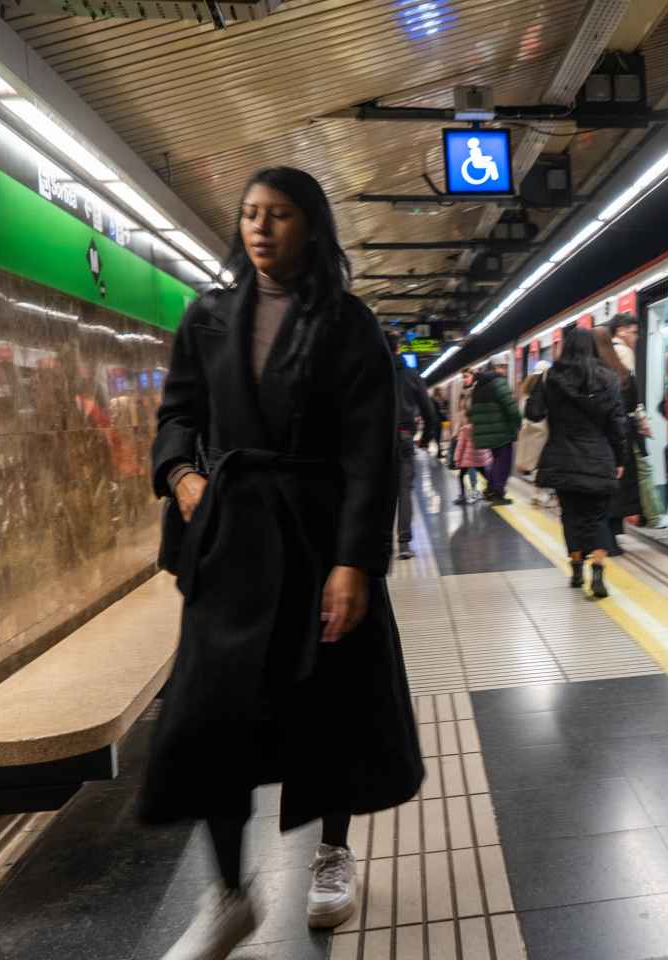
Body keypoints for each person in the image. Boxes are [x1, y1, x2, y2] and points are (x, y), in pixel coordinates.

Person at [146, 166, 424, 959]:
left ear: (312, 225)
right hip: (231, 539)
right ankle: (231, 889)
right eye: (249, 215)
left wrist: (355, 563)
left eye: (278, 215)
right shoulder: (206, 317)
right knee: (208, 715)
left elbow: (373, 453)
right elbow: (176, 415)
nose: (260, 229)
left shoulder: (348, 324)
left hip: (315, 534)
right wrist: (183, 474)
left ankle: (331, 854)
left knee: (327, 703)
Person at [527, 326, 627, 599]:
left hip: (562, 457)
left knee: (570, 516)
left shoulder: (552, 378)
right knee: (597, 517)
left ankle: (575, 568)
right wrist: (619, 459)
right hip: (599, 456)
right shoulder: (609, 379)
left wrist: (539, 383)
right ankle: (598, 571)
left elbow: (533, 414)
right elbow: (618, 425)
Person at [609, 312, 667, 528]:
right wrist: (641, 419)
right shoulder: (623, 352)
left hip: (619, 422)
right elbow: (629, 392)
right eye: (633, 333)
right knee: (643, 469)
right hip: (626, 424)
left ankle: (642, 514)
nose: (636, 338)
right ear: (620, 330)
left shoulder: (608, 351)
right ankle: (653, 517)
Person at [389, 332, 439, 560]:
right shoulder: (411, 375)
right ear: (398, 348)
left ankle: (377, 544)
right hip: (403, 436)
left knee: (375, 491)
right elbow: (430, 414)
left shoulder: (369, 374)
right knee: (403, 490)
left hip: (375, 441)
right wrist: (426, 439)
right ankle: (404, 543)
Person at [594, 325, 642, 554]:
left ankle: (608, 543)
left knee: (603, 492)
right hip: (623, 436)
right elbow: (633, 404)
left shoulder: (594, 374)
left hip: (601, 439)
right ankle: (614, 535)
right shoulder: (623, 372)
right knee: (618, 488)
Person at [469, 360, 521, 505]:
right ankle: (497, 493)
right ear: (494, 369)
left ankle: (491, 490)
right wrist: (518, 423)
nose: (504, 370)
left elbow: (472, 411)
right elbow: (511, 407)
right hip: (502, 431)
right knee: (503, 462)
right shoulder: (499, 383)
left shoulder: (478, 386)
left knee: (496, 461)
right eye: (502, 367)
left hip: (488, 433)